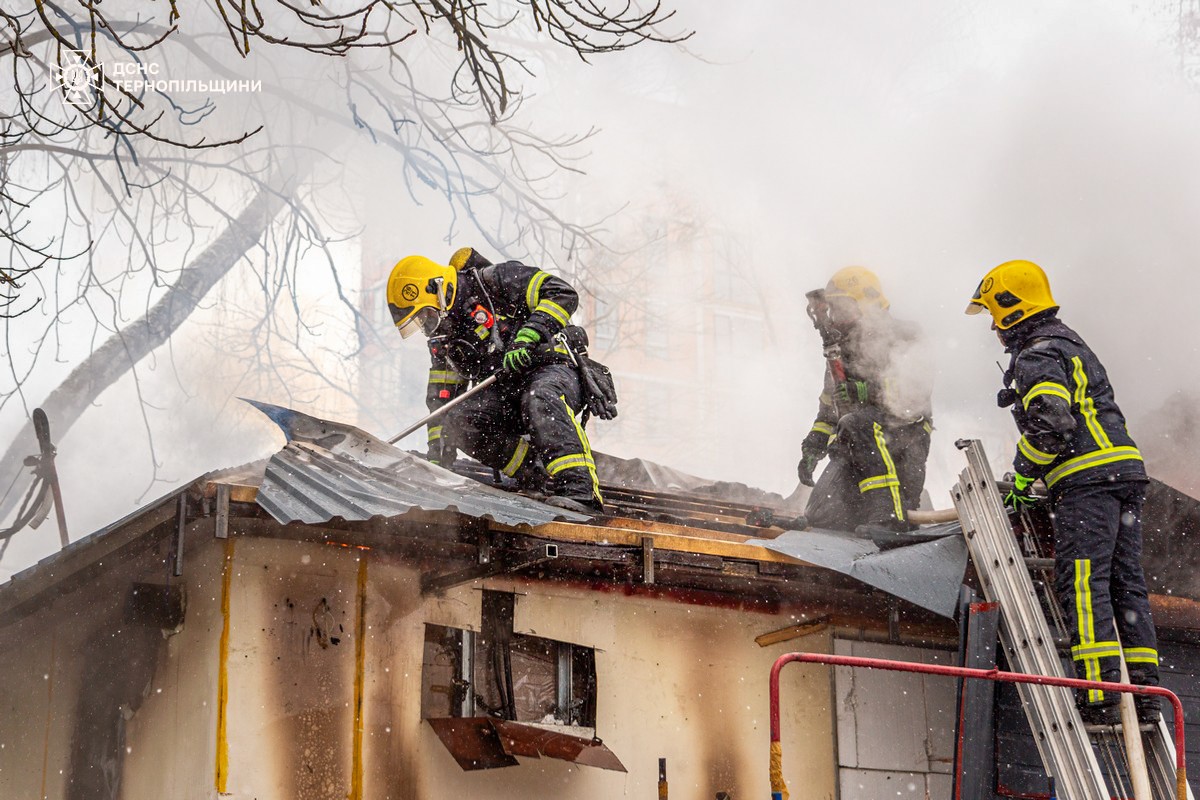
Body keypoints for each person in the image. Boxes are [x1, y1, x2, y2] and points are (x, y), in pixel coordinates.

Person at [966, 259, 1159, 725]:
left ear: (1012, 308)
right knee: (1125, 585)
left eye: (994, 314)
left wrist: (1021, 474)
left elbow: (1052, 422)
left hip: (1087, 482)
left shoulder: (1036, 355)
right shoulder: (1069, 342)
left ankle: (1098, 693)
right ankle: (1145, 693)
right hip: (1123, 474)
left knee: (1084, 582)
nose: (993, 327)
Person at [385, 248, 603, 513]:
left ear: (440, 290)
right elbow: (441, 401)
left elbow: (563, 294)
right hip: (508, 389)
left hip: (554, 370)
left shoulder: (496, 280)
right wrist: (437, 456)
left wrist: (529, 335)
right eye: (421, 323)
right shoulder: (447, 339)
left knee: (539, 396)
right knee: (460, 422)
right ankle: (538, 475)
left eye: (426, 316)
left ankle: (581, 490)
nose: (428, 326)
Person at [797, 266, 933, 532]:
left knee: (857, 422)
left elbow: (913, 395)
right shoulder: (841, 349)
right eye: (833, 308)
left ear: (867, 304)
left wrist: (865, 391)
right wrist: (814, 443)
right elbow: (830, 405)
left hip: (904, 446)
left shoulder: (904, 336)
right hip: (859, 450)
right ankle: (875, 519)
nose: (835, 316)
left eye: (842, 308)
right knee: (821, 516)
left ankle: (890, 516)